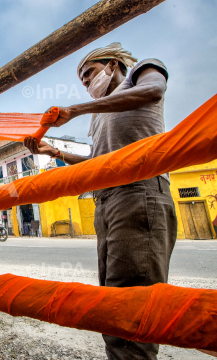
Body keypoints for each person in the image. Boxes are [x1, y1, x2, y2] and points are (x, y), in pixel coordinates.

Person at [23, 43, 176, 360]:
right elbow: (98, 160)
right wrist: (56, 154)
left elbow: (154, 91)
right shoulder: (99, 116)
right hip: (106, 199)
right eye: (80, 81)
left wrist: (76, 109)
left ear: (111, 65)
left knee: (131, 306)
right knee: (112, 299)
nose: (86, 83)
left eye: (88, 74)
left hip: (138, 192)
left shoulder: (140, 72)